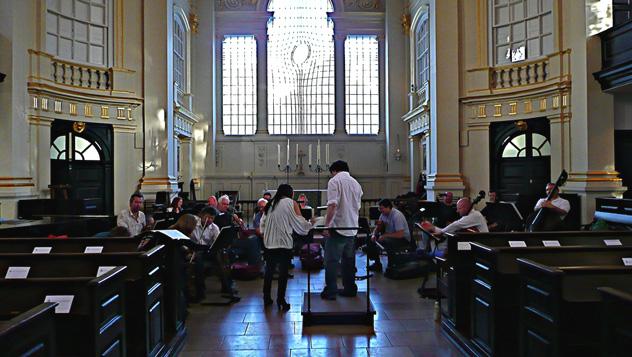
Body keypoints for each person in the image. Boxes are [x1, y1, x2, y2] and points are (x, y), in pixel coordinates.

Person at [260, 184, 313, 311]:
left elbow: (262, 223)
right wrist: (310, 224)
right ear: (290, 193)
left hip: (269, 243)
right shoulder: (291, 203)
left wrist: (265, 235)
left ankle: (266, 298)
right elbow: (299, 222)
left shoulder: (270, 203)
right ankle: (281, 300)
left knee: (269, 272)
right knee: (283, 273)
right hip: (283, 243)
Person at [321, 160, 363, 300]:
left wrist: (327, 225)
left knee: (332, 261)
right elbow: (357, 206)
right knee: (349, 261)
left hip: (338, 227)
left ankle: (331, 291)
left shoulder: (334, 181)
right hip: (352, 227)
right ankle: (350, 288)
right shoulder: (356, 183)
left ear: (334, 171)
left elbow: (332, 205)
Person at [420, 197, 488, 258]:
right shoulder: (471, 215)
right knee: (452, 246)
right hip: (475, 244)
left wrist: (439, 231)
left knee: (453, 247)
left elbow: (456, 225)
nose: (457, 211)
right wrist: (434, 228)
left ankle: (431, 255)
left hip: (481, 245)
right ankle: (433, 255)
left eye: (459, 209)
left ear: (464, 207)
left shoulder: (475, 215)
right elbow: (455, 227)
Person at [367, 199, 411, 272]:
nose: (380, 210)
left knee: (388, 241)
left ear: (388, 207)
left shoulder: (397, 216)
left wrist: (385, 235)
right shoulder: (383, 214)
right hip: (390, 236)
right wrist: (374, 234)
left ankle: (391, 265)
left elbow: (400, 234)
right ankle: (377, 263)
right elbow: (377, 228)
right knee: (369, 239)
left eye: (382, 208)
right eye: (379, 208)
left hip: (403, 239)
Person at [190, 207, 222, 301]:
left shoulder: (214, 227)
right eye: (208, 218)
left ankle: (226, 285)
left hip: (207, 251)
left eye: (212, 218)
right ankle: (200, 290)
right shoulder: (194, 225)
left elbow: (217, 243)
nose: (210, 220)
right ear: (202, 216)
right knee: (199, 257)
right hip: (194, 251)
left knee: (222, 255)